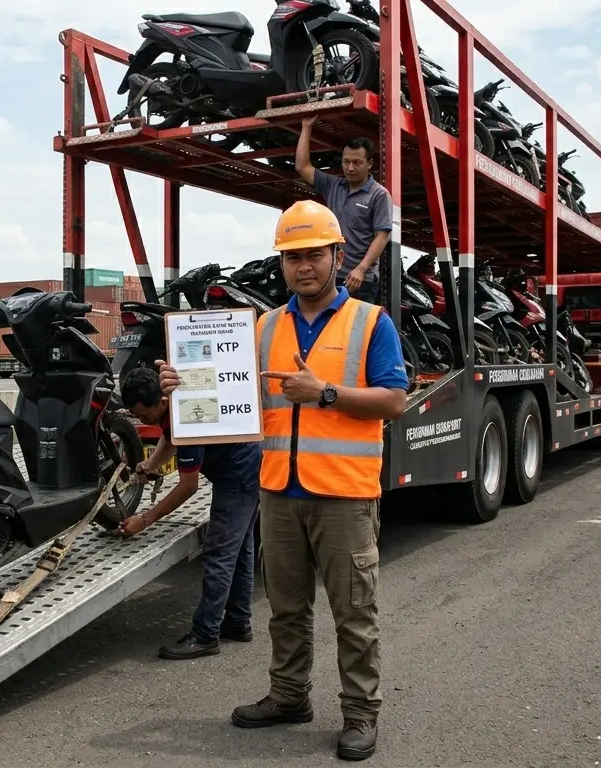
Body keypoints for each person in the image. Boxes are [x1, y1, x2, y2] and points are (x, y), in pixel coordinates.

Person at [157, 200, 407, 761]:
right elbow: (229, 391)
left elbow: (394, 399)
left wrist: (324, 393)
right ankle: (290, 696)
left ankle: (361, 715)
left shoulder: (370, 323)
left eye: (314, 254)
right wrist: (184, 382)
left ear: (337, 256)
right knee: (286, 609)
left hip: (344, 495)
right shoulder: (266, 327)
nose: (303, 267)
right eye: (293, 257)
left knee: (353, 613)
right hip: (280, 491)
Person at [117, 365, 262, 660]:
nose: (142, 420)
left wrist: (144, 521)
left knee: (220, 551)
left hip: (239, 469)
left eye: (145, 415)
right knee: (240, 547)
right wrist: (152, 463)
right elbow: (170, 437)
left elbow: (188, 486)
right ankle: (237, 622)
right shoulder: (174, 404)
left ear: (163, 402)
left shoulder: (187, 416)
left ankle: (205, 634)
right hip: (243, 461)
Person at [295, 117, 393, 306]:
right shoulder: (333, 186)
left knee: (356, 333)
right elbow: (302, 167)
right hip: (331, 276)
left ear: (369, 163)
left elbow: (381, 236)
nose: (350, 168)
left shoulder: (378, 194)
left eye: (356, 162)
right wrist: (306, 127)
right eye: (346, 161)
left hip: (359, 280)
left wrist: (361, 269)